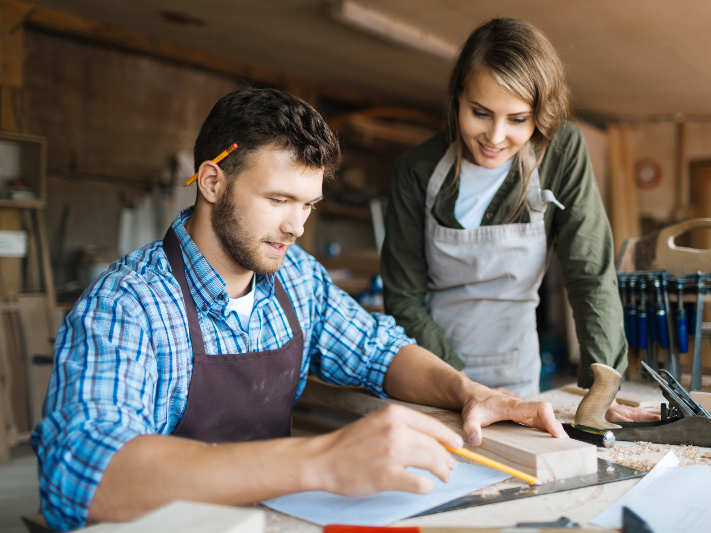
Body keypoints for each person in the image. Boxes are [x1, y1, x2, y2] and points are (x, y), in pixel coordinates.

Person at [31, 88, 567, 531]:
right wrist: (321, 460)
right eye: (279, 200)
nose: (297, 226)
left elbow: (378, 351)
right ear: (213, 182)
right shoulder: (130, 305)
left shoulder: (296, 277)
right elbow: (89, 476)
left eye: (308, 204)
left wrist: (469, 392)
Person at [381, 18, 645, 412]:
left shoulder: (562, 152)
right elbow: (404, 298)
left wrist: (601, 387)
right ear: (457, 98)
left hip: (518, 373)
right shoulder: (417, 170)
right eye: (480, 112)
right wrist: (461, 388)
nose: (495, 136)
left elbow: (590, 272)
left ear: (541, 114)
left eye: (518, 119)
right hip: (432, 372)